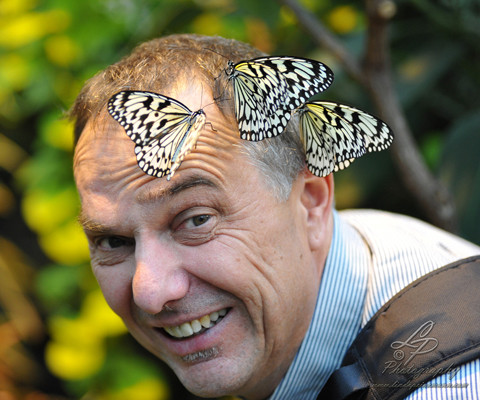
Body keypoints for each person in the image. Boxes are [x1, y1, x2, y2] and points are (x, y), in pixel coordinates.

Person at [69, 34, 480, 399]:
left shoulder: (448, 385)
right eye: (113, 242)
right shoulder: (363, 241)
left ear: (311, 201)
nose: (150, 292)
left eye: (196, 220)